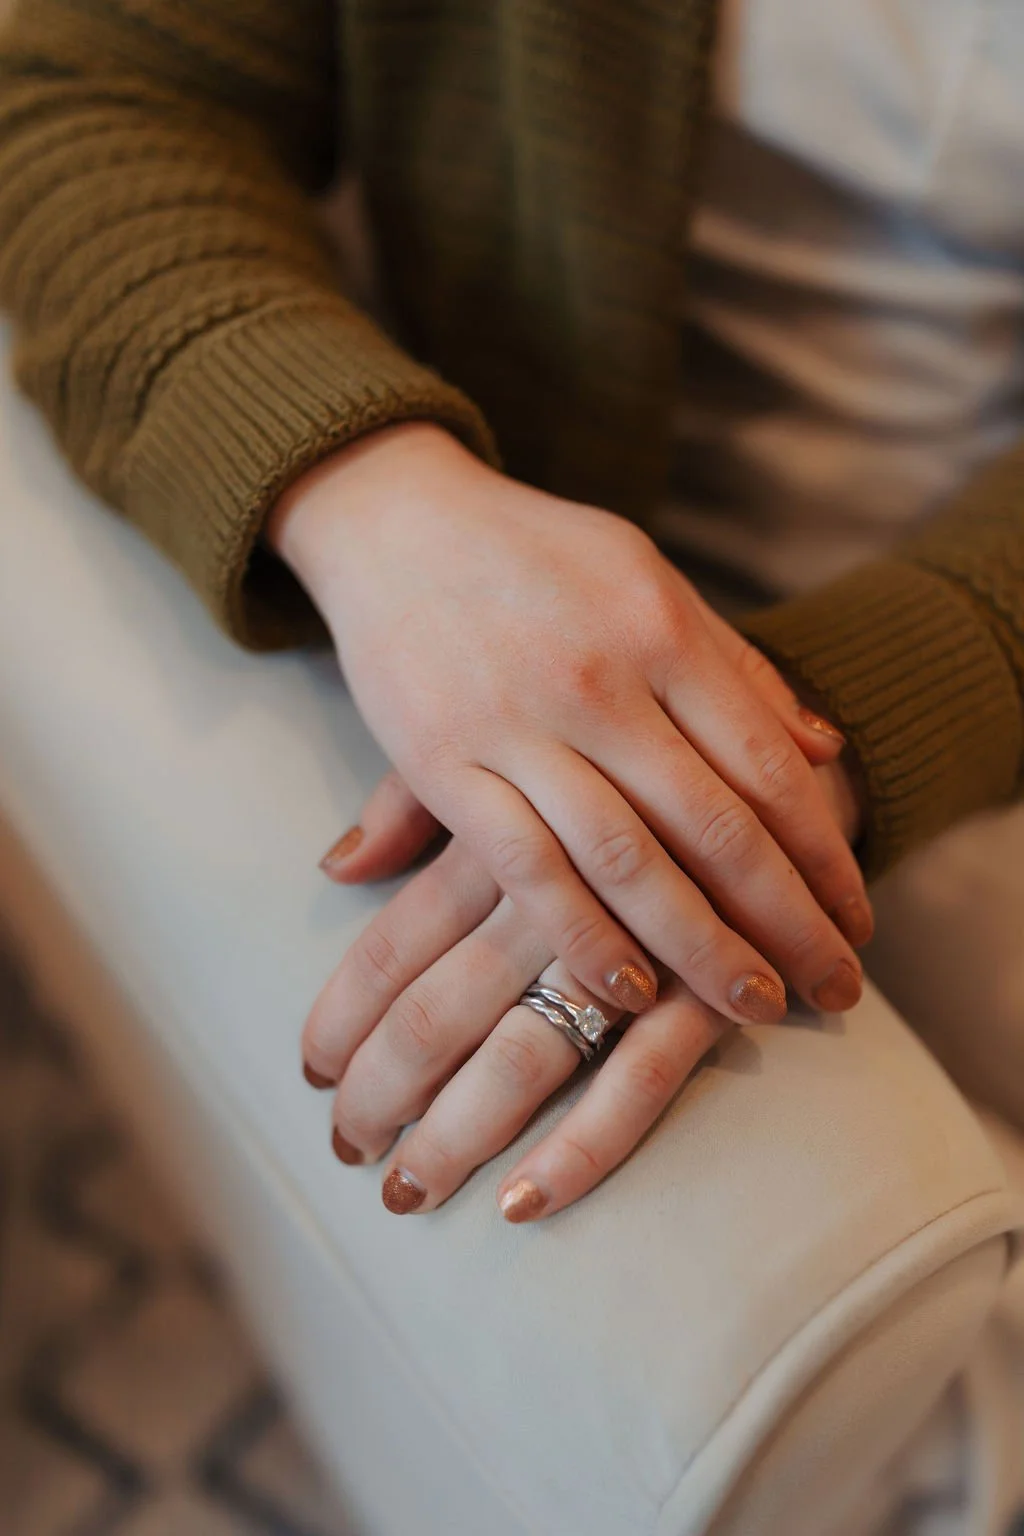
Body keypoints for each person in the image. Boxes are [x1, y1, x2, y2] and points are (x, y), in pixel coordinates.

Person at [0, 0, 1021, 1231]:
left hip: (948, 650)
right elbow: (84, 80)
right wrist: (372, 490)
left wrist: (806, 735)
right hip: (454, 543)